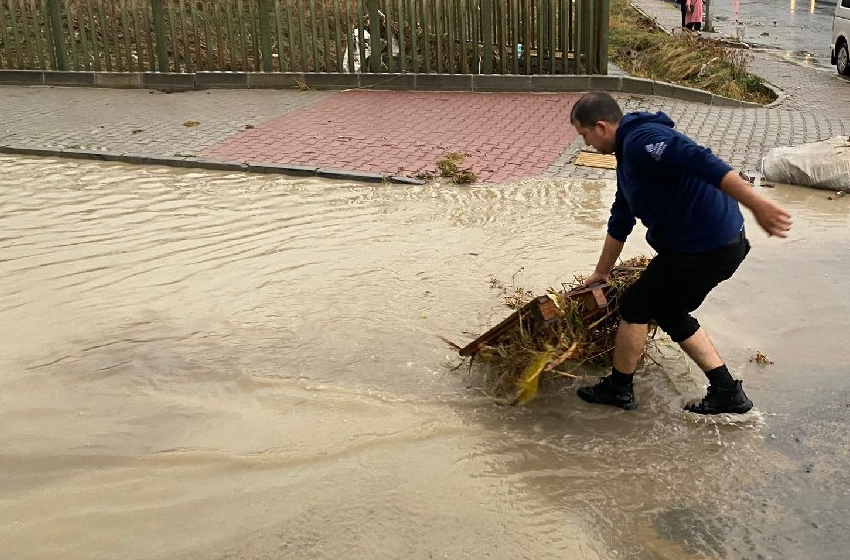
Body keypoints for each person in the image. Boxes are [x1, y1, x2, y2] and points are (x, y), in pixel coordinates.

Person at [569, 92, 792, 414]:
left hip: (705, 247)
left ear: (600, 127)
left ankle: (619, 389)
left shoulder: (644, 141)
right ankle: (727, 391)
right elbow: (621, 215)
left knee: (635, 305)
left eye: (584, 135)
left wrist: (757, 203)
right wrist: (602, 272)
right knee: (669, 310)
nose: (586, 144)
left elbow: (701, 160)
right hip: (712, 246)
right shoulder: (627, 155)